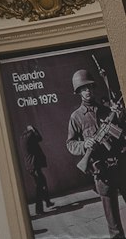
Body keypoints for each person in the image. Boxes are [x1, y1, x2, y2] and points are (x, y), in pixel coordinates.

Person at [67, 68, 126, 239]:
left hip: (121, 168)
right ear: (78, 92)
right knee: (114, 225)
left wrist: (121, 115)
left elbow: (121, 134)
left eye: (90, 87)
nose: (88, 91)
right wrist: (85, 144)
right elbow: (70, 144)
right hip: (102, 173)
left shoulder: (108, 110)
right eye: (83, 88)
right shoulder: (76, 117)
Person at [22, 124, 55, 217]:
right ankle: (39, 210)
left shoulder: (23, 138)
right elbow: (40, 138)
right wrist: (33, 129)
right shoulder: (30, 136)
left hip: (30, 166)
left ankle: (47, 202)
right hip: (34, 166)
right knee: (39, 187)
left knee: (43, 182)